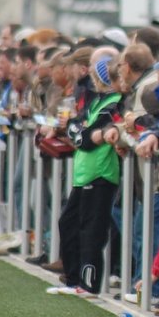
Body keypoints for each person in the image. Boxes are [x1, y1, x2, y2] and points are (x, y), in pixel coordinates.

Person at [47, 51, 122, 296]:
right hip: (84, 173)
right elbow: (75, 127)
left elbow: (86, 138)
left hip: (100, 173)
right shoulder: (97, 100)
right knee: (67, 223)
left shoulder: (113, 102)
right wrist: (81, 132)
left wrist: (82, 133)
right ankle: (73, 280)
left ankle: (88, 284)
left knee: (92, 231)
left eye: (93, 71)